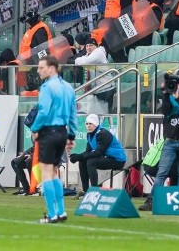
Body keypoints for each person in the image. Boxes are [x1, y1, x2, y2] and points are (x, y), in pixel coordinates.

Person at [139, 68, 179, 212]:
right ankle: (152, 201)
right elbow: (166, 111)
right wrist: (166, 94)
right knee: (162, 171)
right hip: (171, 139)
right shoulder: (171, 93)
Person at [30, 56, 77, 224]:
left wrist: (34, 129)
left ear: (52, 68)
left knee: (46, 174)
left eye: (41, 67)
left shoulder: (48, 87)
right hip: (62, 132)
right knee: (54, 172)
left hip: (48, 132)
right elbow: (73, 114)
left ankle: (52, 214)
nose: (38, 70)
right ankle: (61, 211)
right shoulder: (68, 88)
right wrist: (71, 136)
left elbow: (43, 112)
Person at [70, 114, 126, 194]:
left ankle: (94, 191)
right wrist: (78, 157)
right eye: (87, 123)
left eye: (90, 123)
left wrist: (80, 156)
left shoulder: (103, 133)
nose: (88, 126)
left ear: (96, 124)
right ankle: (85, 191)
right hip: (107, 157)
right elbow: (88, 151)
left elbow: (99, 153)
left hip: (118, 160)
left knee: (91, 162)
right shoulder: (89, 135)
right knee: (82, 161)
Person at [74, 36, 114, 114]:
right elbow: (79, 60)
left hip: (106, 88)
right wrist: (79, 60)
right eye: (87, 46)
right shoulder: (88, 55)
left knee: (104, 113)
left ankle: (110, 126)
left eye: (91, 45)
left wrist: (79, 60)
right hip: (96, 89)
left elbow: (84, 62)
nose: (89, 48)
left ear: (96, 46)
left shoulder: (99, 53)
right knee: (96, 113)